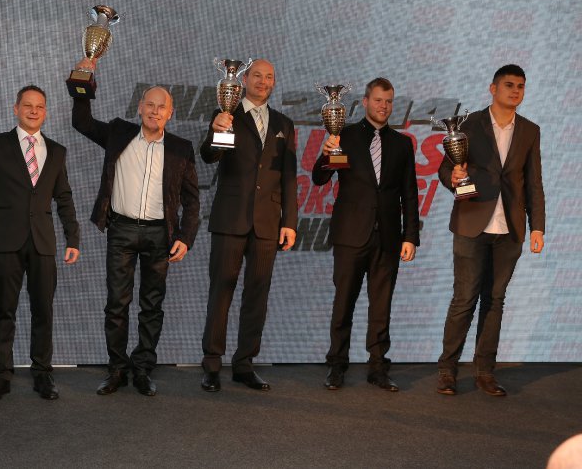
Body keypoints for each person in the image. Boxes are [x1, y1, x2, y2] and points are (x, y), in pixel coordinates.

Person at [72, 58, 199, 397]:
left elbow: (192, 200)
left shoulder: (181, 149)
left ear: (170, 113)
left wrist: (186, 237)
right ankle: (116, 369)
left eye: (162, 107)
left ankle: (142, 369)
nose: (155, 111)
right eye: (150, 105)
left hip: (160, 235)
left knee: (152, 306)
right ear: (140, 107)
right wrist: (83, 76)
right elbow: (81, 122)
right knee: (117, 304)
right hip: (122, 231)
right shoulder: (118, 133)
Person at [0, 85, 80, 402]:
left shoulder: (57, 151)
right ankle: (1, 375)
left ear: (46, 112)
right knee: (5, 311)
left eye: (39, 106)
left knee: (44, 311)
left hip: (43, 241)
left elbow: (64, 196)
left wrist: (73, 237)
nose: (33, 111)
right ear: (15, 109)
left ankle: (42, 373)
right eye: (27, 105)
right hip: (6, 240)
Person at [436, 64, 544, 396]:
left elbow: (534, 183)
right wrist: (453, 178)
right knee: (464, 299)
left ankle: (485, 372)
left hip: (510, 229)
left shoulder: (530, 130)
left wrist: (537, 227)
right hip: (472, 222)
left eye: (521, 86)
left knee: (495, 301)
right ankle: (447, 371)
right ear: (493, 89)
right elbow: (445, 169)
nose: (515, 91)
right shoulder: (468, 125)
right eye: (509, 85)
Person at [312, 77, 419, 391]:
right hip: (350, 235)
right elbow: (319, 179)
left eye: (388, 101)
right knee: (343, 303)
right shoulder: (343, 135)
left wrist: (410, 236)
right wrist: (326, 154)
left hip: (388, 238)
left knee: (381, 307)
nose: (383, 106)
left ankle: (378, 368)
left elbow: (409, 194)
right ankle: (337, 366)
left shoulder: (402, 144)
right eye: (378, 100)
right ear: (365, 102)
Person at [199, 58, 297, 393]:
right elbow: (209, 155)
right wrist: (218, 130)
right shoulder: (225, 114)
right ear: (243, 80)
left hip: (268, 223)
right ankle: (212, 365)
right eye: (257, 75)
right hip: (230, 218)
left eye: (269, 76)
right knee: (220, 293)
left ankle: (244, 364)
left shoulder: (284, 124)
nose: (263, 81)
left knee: (257, 296)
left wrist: (290, 222)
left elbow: (289, 176)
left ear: (274, 82)